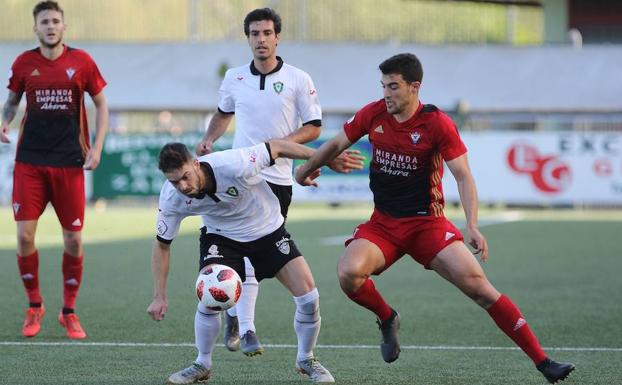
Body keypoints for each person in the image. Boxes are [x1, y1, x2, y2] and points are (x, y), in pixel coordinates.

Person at [295, 53, 575, 384]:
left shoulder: (436, 123)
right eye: (383, 85)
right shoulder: (373, 113)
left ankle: (544, 363)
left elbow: (463, 175)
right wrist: (304, 171)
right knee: (348, 274)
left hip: (427, 224)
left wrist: (471, 224)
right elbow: (336, 144)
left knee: (481, 290)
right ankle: (387, 318)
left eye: (394, 86)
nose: (387, 93)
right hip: (384, 224)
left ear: (415, 87)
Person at [196, 7, 362, 356]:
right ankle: (246, 327)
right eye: (254, 34)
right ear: (248, 38)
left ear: (277, 37)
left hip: (278, 177)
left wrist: (280, 146)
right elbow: (223, 113)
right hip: (241, 174)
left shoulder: (299, 79)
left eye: (267, 33)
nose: (261, 40)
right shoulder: (234, 77)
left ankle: (240, 320)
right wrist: (210, 139)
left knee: (258, 253)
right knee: (243, 245)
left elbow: (315, 126)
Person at [147, 140, 334, 384]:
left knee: (309, 298)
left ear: (195, 164)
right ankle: (202, 363)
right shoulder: (172, 198)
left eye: (185, 177)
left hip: (267, 229)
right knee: (209, 296)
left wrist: (323, 157)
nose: (182, 186)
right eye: (174, 181)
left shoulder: (232, 164)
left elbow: (276, 147)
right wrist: (159, 295)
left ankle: (306, 359)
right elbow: (162, 245)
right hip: (221, 237)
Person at [0, 0, 108, 340]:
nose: (50, 26)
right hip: (30, 162)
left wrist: (98, 147)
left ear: (64, 27)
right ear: (35, 28)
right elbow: (12, 102)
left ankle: (69, 311)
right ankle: (35, 305)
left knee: (74, 240)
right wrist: (3, 122)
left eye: (55, 21)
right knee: (24, 237)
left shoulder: (82, 62)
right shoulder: (23, 63)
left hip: (69, 162)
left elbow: (102, 103)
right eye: (44, 21)